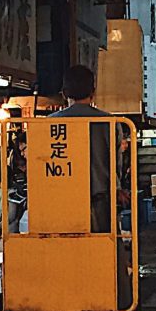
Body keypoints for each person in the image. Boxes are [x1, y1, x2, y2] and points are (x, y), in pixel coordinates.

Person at [49, 65, 115, 233]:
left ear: (64, 93)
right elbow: (116, 164)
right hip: (100, 198)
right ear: (93, 92)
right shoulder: (110, 122)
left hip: (59, 202)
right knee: (103, 251)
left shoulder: (48, 123)